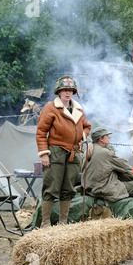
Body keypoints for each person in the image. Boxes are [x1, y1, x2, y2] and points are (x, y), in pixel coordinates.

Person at [36, 75, 91, 228]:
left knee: (68, 187)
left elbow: (87, 126)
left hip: (74, 153)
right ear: (58, 92)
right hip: (55, 151)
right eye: (64, 90)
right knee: (51, 187)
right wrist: (44, 153)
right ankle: (45, 223)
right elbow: (41, 132)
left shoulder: (79, 108)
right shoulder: (51, 107)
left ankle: (63, 223)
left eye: (70, 90)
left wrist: (82, 136)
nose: (67, 93)